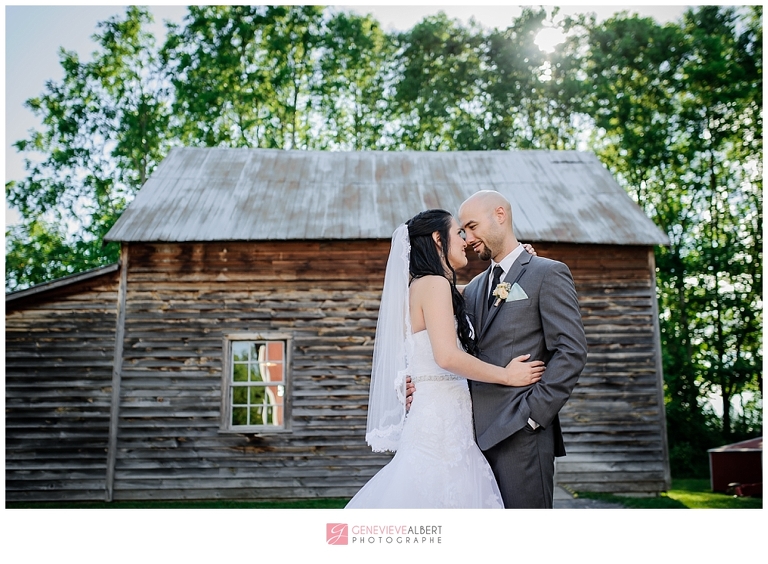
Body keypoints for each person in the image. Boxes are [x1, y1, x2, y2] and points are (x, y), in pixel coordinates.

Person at [345, 209, 544, 509]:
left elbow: (485, 291)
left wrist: (515, 261)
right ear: (439, 239)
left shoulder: (428, 286)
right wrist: (507, 375)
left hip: (443, 416)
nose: (465, 240)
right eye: (458, 233)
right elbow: (447, 357)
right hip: (441, 424)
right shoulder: (433, 284)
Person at [458, 190, 588, 508]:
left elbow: (571, 351)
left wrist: (533, 417)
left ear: (500, 215)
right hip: (475, 437)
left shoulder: (547, 273)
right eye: (463, 231)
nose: (467, 238)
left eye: (472, 226)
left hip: (523, 434)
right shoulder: (473, 288)